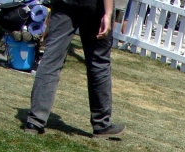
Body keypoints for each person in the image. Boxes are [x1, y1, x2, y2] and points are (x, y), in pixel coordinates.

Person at [24, 0, 124, 137]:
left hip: (64, 4)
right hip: (95, 5)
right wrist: (108, 12)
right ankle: (102, 124)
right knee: (99, 62)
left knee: (51, 59)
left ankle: (35, 121)